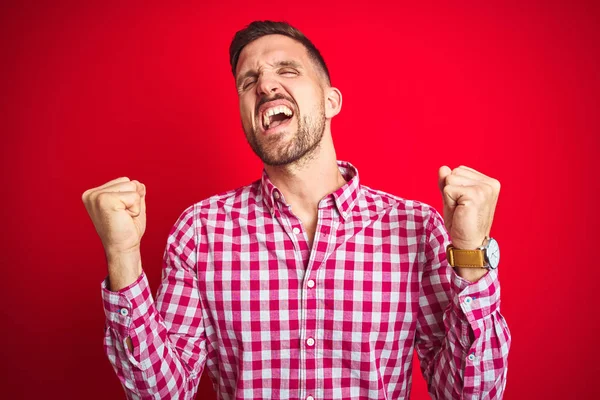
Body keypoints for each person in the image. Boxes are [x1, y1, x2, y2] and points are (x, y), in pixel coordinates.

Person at [82, 21, 510, 400]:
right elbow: (162, 393)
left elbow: (470, 394)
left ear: (331, 101)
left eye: (286, 70)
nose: (265, 85)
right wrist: (122, 257)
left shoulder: (415, 229)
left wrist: (472, 254)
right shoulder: (200, 232)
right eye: (248, 81)